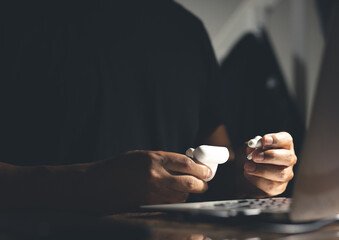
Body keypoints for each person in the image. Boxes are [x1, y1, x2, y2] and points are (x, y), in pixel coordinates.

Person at [0, 1, 297, 212]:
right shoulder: (17, 16)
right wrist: (89, 184)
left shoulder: (187, 30)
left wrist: (255, 176)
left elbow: (216, 162)